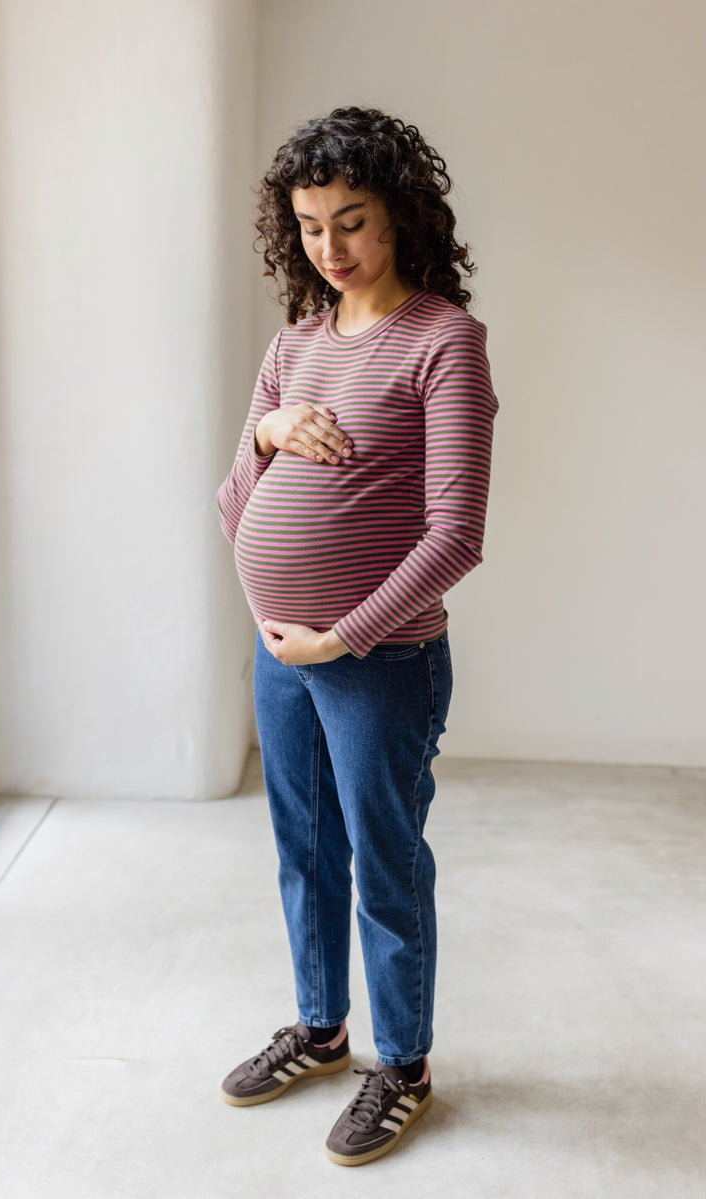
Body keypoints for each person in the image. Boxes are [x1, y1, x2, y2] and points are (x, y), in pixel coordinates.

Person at [217, 105, 498, 1167]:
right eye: (309, 226)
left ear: (403, 217)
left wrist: (343, 637)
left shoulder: (444, 341)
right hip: (280, 654)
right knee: (303, 849)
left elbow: (456, 533)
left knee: (384, 862)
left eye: (353, 222)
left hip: (380, 662)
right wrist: (265, 430)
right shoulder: (293, 343)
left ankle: (406, 1062)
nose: (330, 249)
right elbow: (232, 500)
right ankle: (323, 1028)